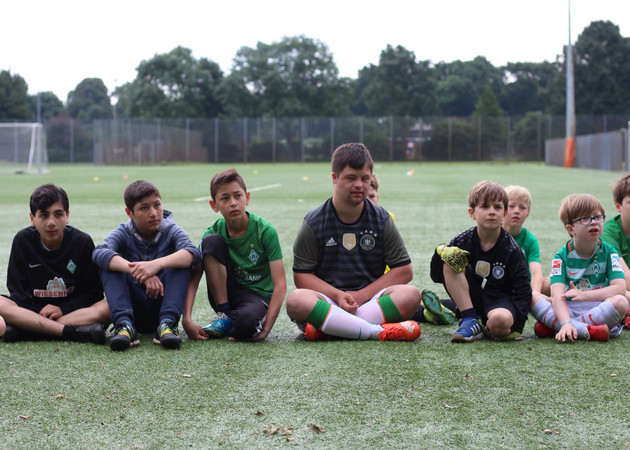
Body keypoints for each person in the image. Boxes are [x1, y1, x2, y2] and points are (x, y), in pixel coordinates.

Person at [285, 142, 422, 341]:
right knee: (296, 300)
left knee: (410, 295)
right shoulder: (313, 221)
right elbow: (302, 277)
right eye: (351, 178)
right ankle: (376, 332)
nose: (359, 185)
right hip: (329, 301)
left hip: (369, 302)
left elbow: (404, 270)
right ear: (334, 178)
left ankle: (331, 328)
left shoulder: (381, 218)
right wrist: (338, 296)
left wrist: (362, 295)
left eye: (364, 179)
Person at [93, 180, 200, 351]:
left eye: (157, 205)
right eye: (144, 208)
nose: (154, 213)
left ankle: (168, 325)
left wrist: (155, 265)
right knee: (108, 264)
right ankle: (124, 326)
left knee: (182, 262)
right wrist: (140, 272)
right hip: (132, 308)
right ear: (129, 213)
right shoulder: (123, 232)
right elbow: (99, 252)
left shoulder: (171, 230)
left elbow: (192, 253)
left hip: (163, 304)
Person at [182, 168, 286, 341]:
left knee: (245, 326)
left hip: (258, 296)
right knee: (211, 241)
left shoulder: (265, 231)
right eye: (225, 198)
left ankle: (236, 320)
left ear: (247, 198)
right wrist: (186, 320)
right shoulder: (213, 231)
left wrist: (266, 330)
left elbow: (280, 284)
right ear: (214, 205)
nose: (233, 202)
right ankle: (224, 314)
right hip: (226, 294)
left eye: (238, 196)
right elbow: (194, 277)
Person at [0, 184, 109, 344]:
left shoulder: (82, 242)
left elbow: (93, 294)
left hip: (73, 311)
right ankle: (72, 332)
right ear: (32, 219)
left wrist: (61, 309)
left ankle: (28, 329)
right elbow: (18, 293)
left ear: (67, 216)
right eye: (44, 215)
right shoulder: (23, 240)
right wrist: (42, 312)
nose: (51, 222)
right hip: (35, 310)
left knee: (110, 305)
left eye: (58, 214)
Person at [430, 180, 531, 342]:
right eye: (485, 207)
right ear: (472, 213)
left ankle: (479, 324)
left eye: (497, 207)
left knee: (500, 322)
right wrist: (438, 254)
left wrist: (516, 327)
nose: (492, 212)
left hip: (499, 301)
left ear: (504, 213)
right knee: (450, 260)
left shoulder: (511, 248)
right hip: (471, 300)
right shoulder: (463, 240)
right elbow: (437, 276)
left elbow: (523, 290)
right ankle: (470, 319)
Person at [530, 194, 628, 342]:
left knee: (621, 301)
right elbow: (557, 296)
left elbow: (619, 288)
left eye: (598, 217)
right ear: (570, 229)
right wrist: (565, 321)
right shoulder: (560, 257)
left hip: (599, 307)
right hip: (568, 310)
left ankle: (555, 327)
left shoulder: (610, 252)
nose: (594, 222)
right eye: (585, 218)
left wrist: (583, 295)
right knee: (529, 296)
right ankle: (585, 330)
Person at [368, 173, 455, 325]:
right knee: (409, 303)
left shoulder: (386, 219)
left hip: (386, 284)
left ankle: (459, 308)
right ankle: (432, 313)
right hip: (368, 288)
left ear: (378, 197)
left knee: (408, 300)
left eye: (372, 196)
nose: (369, 202)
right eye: (364, 198)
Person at [502, 185, 544, 293]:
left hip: (522, 287)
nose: (517, 211)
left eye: (522, 207)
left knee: (550, 283)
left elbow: (536, 273)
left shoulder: (530, 240)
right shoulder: (493, 235)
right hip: (498, 286)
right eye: (511, 206)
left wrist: (535, 296)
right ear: (501, 209)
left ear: (528, 213)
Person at [602, 173, 630, 327]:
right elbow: (625, 278)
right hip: (608, 286)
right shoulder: (609, 232)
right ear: (618, 206)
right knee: (619, 296)